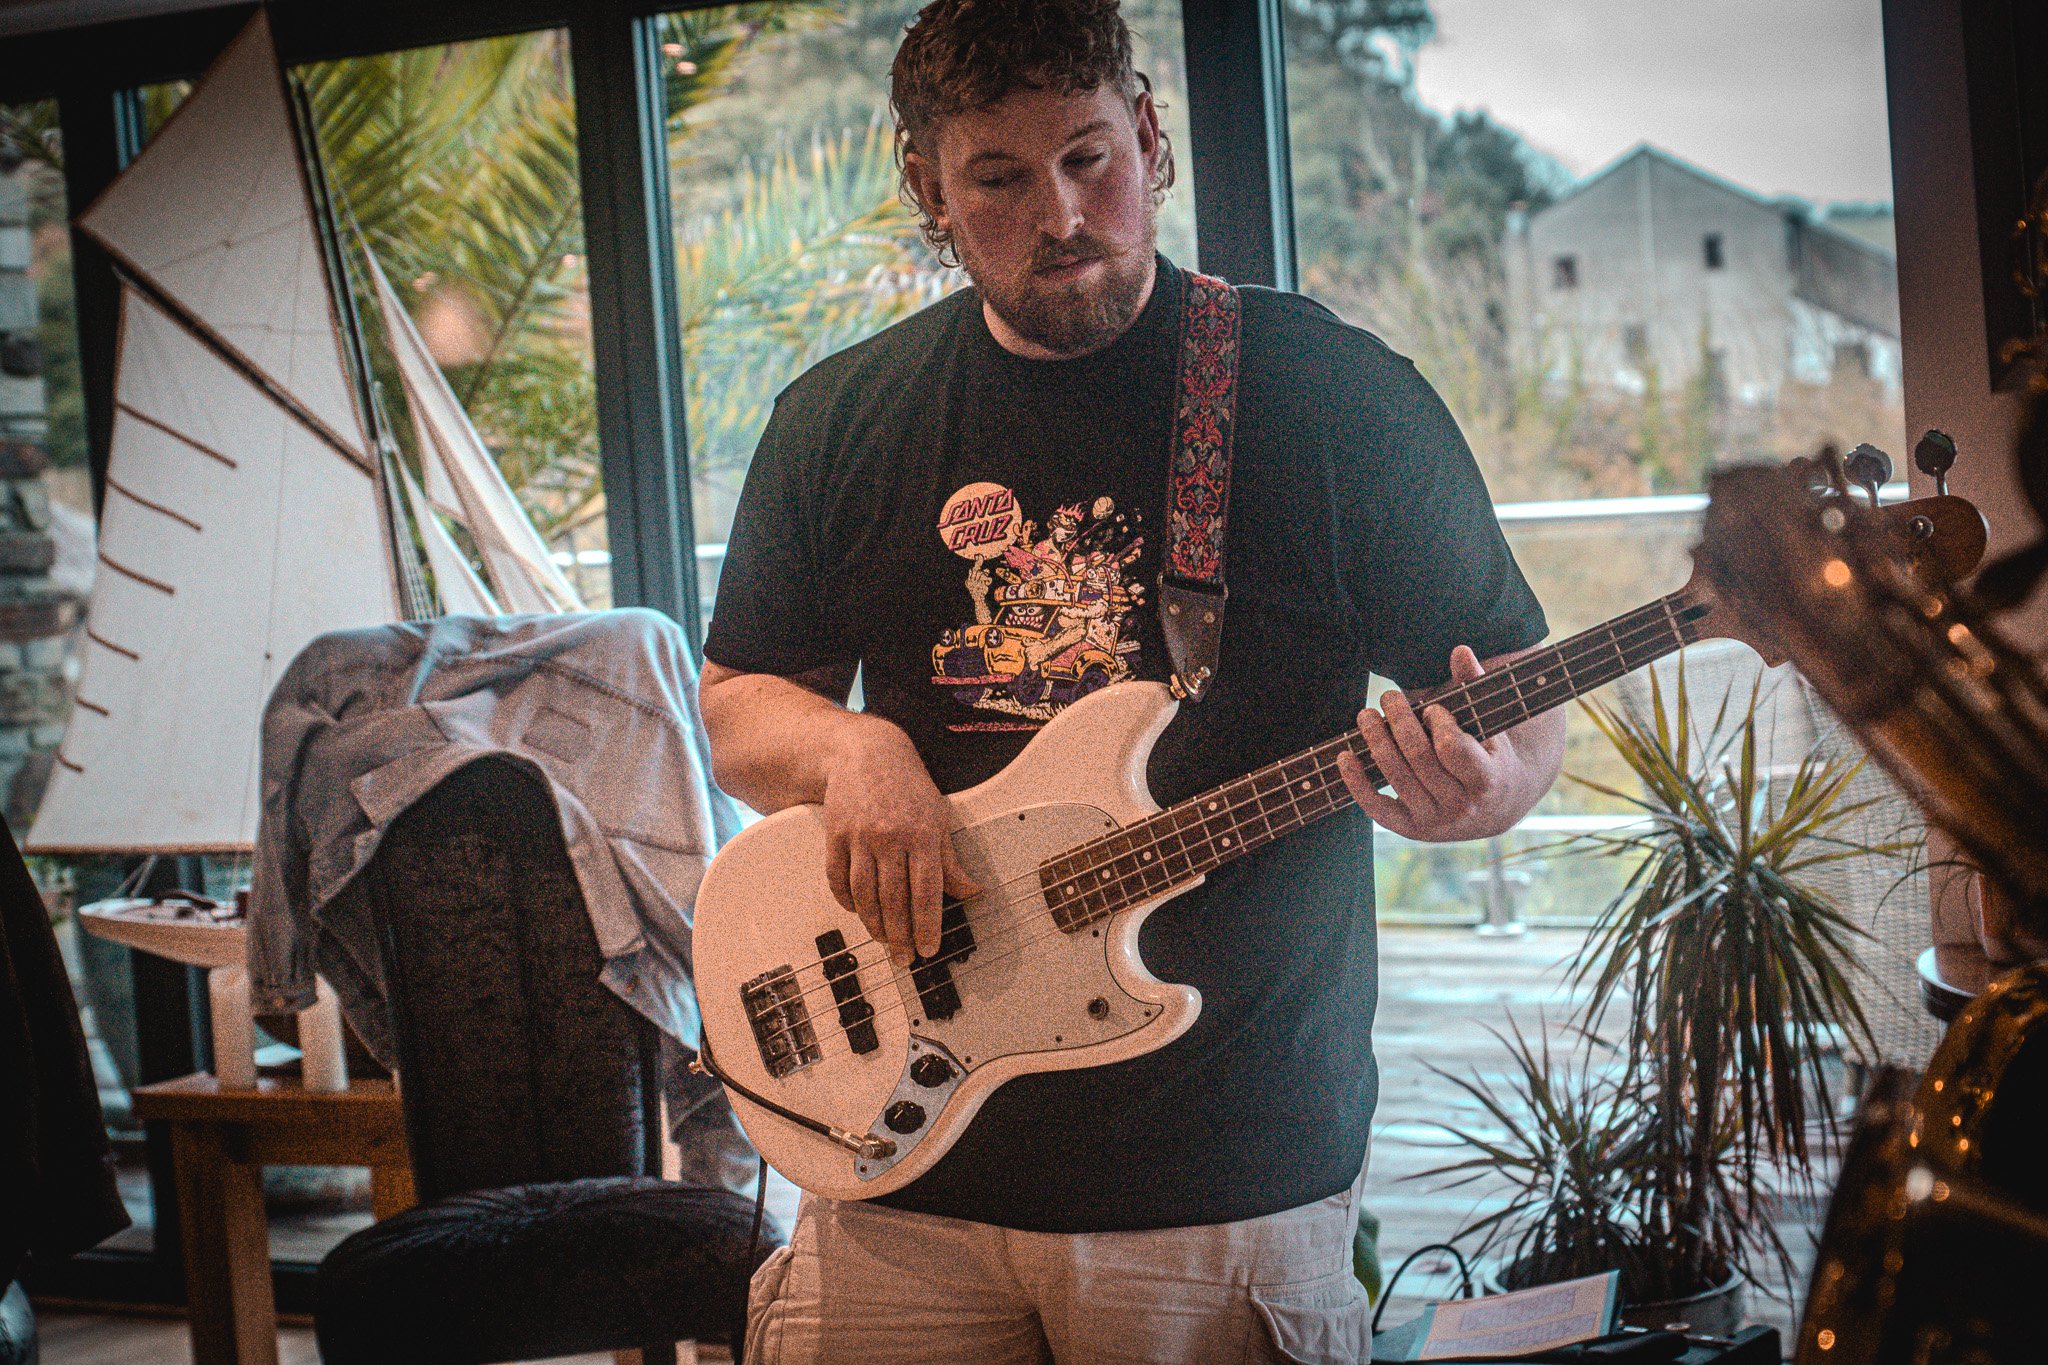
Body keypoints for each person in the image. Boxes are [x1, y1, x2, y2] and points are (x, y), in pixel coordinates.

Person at [698, 1, 1567, 1358]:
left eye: (1090, 157)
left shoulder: (1330, 398)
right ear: (929, 187)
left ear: (1150, 139)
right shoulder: (838, 420)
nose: (1061, 215)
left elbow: (1515, 681)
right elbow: (739, 701)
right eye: (999, 178)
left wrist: (1489, 787)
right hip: (891, 1162)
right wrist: (852, 755)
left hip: (1220, 1173)